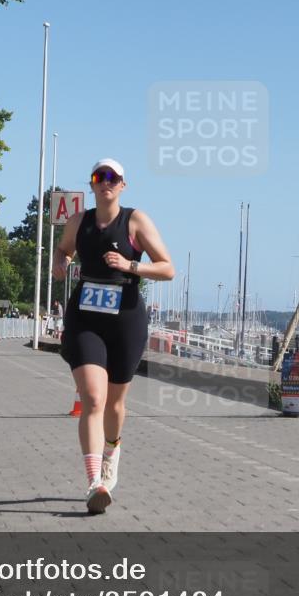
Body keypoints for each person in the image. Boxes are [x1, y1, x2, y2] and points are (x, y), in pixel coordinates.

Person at [53, 158, 175, 514]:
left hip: (125, 319)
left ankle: (112, 451)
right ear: (91, 184)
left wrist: (131, 265)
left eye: (113, 178)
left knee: (116, 405)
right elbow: (64, 249)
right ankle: (94, 483)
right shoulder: (79, 221)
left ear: (123, 185)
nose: (105, 182)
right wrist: (61, 262)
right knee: (92, 398)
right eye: (99, 176)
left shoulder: (135, 221)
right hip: (86, 318)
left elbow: (167, 268)